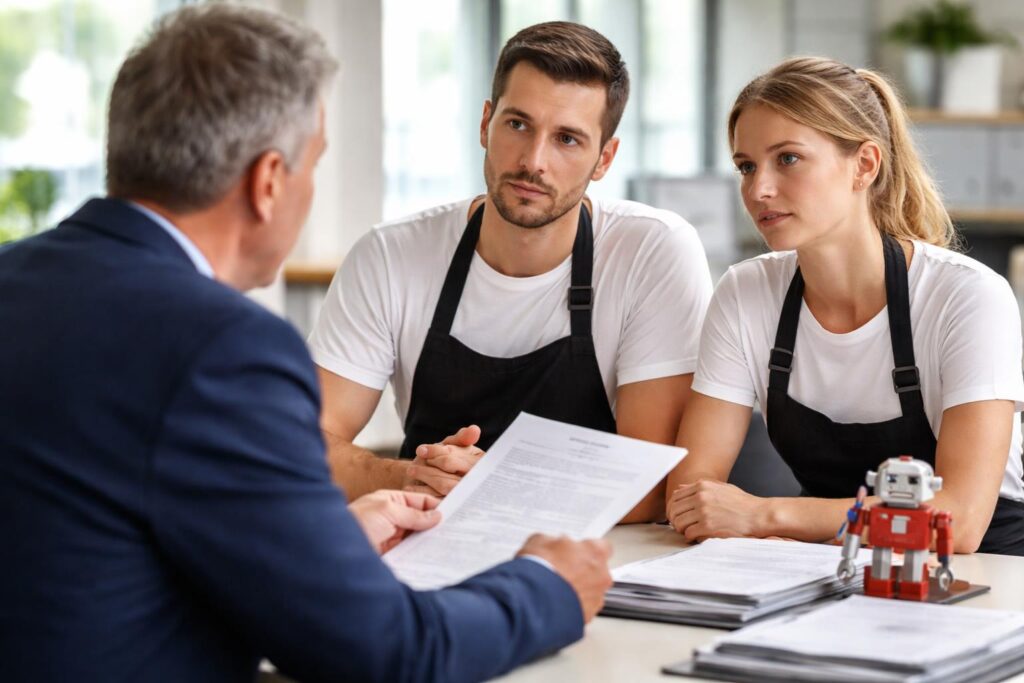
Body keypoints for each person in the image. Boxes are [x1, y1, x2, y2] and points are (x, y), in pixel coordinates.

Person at [0, 6, 614, 682]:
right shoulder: (226, 349)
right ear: (268, 183)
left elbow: (100, 537)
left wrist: (325, 541)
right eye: (313, 165)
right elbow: (387, 649)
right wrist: (546, 584)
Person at [310, 21, 712, 520]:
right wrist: (410, 476)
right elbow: (301, 446)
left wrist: (488, 487)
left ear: (604, 158)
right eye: (517, 124)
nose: (532, 161)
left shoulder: (652, 252)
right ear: (485, 124)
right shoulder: (389, 255)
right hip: (427, 532)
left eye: (567, 139)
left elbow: (653, 483)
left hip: (599, 553)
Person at [665, 56, 1024, 555]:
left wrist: (764, 513)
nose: (758, 189)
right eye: (746, 166)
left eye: (787, 158)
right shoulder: (745, 293)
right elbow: (689, 497)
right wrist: (761, 517)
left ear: (865, 165)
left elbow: (956, 523)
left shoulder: (966, 296)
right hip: (826, 561)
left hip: (985, 570)